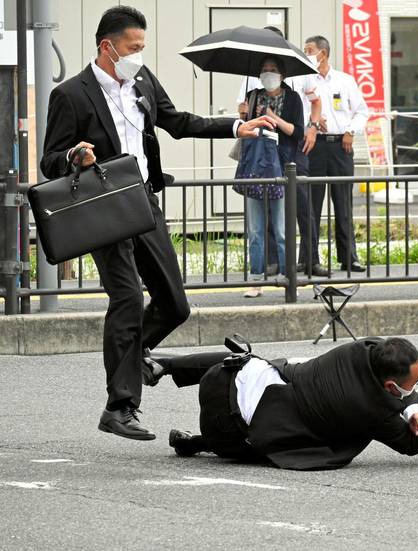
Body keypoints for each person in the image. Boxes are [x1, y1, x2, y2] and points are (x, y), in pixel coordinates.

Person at [40, 6, 275, 441]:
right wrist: (75, 156)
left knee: (174, 304)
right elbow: (49, 159)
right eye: (133, 48)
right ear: (106, 46)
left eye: (143, 49)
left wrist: (236, 126)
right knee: (128, 299)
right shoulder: (72, 95)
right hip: (102, 206)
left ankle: (135, 355)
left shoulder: (143, 82)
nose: (139, 56)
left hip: (143, 201)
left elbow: (177, 122)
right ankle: (120, 406)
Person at [149, 337, 418, 470]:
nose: (413, 387)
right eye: (412, 385)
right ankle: (199, 442)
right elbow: (413, 445)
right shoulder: (373, 412)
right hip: (228, 433)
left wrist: (411, 407)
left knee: (251, 361)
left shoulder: (358, 350)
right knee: (278, 437)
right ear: (389, 386)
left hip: (221, 378)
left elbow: (381, 346)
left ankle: (166, 365)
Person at [235, 26, 324, 280]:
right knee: (261, 222)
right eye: (266, 71)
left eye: (273, 71)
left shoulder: (297, 82)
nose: (268, 74)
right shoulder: (252, 89)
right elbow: (244, 126)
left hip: (290, 159)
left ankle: (306, 263)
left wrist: (312, 128)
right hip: (259, 161)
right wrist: (243, 116)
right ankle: (266, 268)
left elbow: (307, 113)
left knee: (299, 211)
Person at [302, 35, 369, 275]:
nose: (306, 53)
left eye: (309, 49)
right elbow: (299, 111)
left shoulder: (345, 80)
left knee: (343, 203)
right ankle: (309, 258)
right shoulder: (303, 79)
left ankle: (349, 257)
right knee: (311, 205)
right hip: (313, 146)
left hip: (342, 145)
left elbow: (362, 112)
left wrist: (350, 131)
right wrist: (312, 122)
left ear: (323, 53)